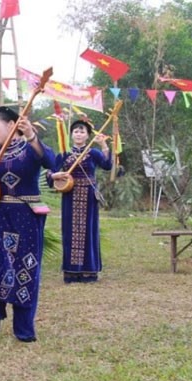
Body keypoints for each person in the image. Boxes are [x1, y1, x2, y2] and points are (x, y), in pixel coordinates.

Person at [0, 106, 55, 342]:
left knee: (26, 269)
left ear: (12, 126)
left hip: (26, 216)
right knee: (0, 266)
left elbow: (51, 161)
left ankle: (24, 329)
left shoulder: (29, 150)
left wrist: (33, 136)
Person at [48, 119, 112, 283]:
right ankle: (71, 272)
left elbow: (107, 165)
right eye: (76, 131)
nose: (79, 134)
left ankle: (88, 272)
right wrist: (55, 176)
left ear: (87, 135)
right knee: (70, 232)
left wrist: (104, 145)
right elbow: (51, 173)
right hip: (70, 196)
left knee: (88, 231)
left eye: (82, 131)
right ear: (71, 134)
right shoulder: (64, 153)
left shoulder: (92, 153)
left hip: (88, 197)